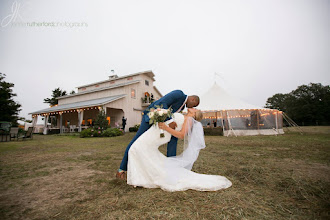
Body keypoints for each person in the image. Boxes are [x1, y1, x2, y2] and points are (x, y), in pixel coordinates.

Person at [127, 108, 232, 191]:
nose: (193, 108)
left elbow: (181, 135)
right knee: (141, 150)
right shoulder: (186, 116)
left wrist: (165, 127)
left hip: (163, 132)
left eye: (195, 109)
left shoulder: (189, 119)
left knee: (136, 149)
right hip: (159, 132)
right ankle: (141, 177)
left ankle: (139, 178)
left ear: (195, 114)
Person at [116, 90, 200, 179]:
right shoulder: (179, 94)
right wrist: (171, 121)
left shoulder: (182, 107)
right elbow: (162, 103)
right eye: (194, 105)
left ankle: (171, 168)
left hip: (163, 124)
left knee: (173, 139)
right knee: (136, 141)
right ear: (193, 99)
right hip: (150, 117)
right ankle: (121, 169)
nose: (192, 107)